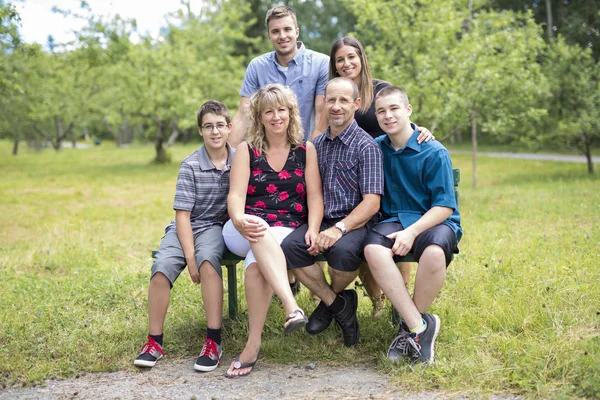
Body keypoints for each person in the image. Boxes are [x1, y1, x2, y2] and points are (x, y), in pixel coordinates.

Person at [320, 36, 435, 317]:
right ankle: (377, 301)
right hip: (352, 177)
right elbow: (324, 131)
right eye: (340, 59)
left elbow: (398, 115)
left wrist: (421, 129)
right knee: (365, 234)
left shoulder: (380, 89)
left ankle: (399, 301)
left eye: (351, 57)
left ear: (362, 58)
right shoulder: (336, 95)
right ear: (334, 66)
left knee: (391, 225)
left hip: (387, 168)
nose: (346, 63)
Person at [223, 83, 323, 377]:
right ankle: (291, 306)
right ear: (260, 116)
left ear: (292, 113)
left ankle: (252, 347)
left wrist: (314, 228)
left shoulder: (306, 151)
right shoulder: (247, 150)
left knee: (256, 268)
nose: (276, 116)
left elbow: (315, 197)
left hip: (287, 229)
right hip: (240, 228)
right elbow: (236, 195)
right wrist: (239, 218)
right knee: (258, 229)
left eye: (281, 109)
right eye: (269, 111)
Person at [280, 77, 383, 347]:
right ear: (324, 102)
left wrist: (339, 229)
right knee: (291, 246)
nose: (336, 106)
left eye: (343, 100)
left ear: (356, 104)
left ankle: (329, 305)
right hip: (323, 218)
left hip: (358, 222)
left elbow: (372, 203)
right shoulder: (317, 145)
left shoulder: (367, 146)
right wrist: (315, 229)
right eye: (331, 100)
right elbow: (312, 193)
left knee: (342, 252)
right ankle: (339, 304)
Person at [134, 100, 235, 372]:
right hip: (185, 226)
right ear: (200, 131)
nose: (214, 132)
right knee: (161, 267)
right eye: (208, 127)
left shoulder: (240, 160)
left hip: (215, 226)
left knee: (208, 260)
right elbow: (182, 216)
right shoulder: (190, 165)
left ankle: (213, 341)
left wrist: (198, 258)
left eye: (219, 126)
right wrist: (188, 257)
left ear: (229, 127)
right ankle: (154, 342)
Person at [364, 86, 462, 363]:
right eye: (381, 111)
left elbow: (444, 205)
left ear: (408, 110)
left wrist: (412, 232)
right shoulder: (376, 148)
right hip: (393, 219)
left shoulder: (433, 151)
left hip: (435, 220)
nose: (388, 115)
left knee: (432, 253)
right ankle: (419, 327)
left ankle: (407, 330)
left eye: (394, 108)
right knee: (373, 250)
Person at [229, 5, 329, 147]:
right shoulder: (257, 66)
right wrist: (224, 160)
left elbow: (321, 116)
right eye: (275, 31)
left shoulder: (321, 63)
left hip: (308, 149)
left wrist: (309, 156)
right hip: (266, 155)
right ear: (269, 36)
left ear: (296, 32)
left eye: (287, 29)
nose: (282, 36)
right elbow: (243, 115)